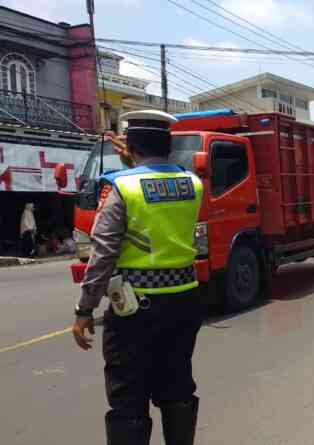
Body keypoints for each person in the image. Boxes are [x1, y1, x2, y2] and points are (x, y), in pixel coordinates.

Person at [71, 110, 205, 445]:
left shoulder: (120, 186)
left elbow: (103, 254)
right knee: (177, 386)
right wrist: (133, 161)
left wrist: (85, 309)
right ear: (168, 146)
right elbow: (159, 187)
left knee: (128, 396)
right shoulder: (193, 183)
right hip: (185, 299)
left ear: (130, 147)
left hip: (136, 309)